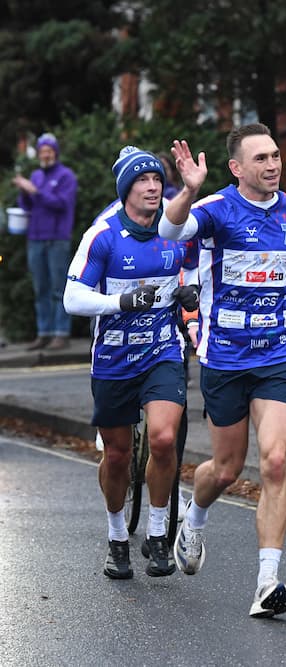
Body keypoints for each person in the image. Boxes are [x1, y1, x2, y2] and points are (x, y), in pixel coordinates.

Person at [159, 123, 286, 618]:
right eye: (260, 158)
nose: (273, 165)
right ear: (237, 168)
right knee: (225, 469)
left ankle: (267, 582)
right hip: (225, 357)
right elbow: (169, 230)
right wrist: (189, 189)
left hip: (280, 354)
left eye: (276, 155)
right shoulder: (215, 209)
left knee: (276, 461)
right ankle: (194, 519)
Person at [63, 146, 197, 581]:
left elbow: (194, 269)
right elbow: (72, 298)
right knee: (118, 456)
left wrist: (190, 293)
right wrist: (118, 300)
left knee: (162, 440)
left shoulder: (175, 229)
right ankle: (117, 537)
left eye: (157, 179)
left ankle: (158, 534)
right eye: (142, 181)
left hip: (163, 350)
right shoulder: (102, 235)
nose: (153, 186)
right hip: (114, 358)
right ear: (126, 190)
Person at [12, 133, 77, 351]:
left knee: (58, 288)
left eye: (49, 150)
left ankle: (61, 333)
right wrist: (24, 193)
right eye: (42, 151)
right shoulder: (36, 175)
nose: (45, 154)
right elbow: (28, 206)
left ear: (55, 153)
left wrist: (35, 191)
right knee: (40, 289)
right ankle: (44, 332)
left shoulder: (66, 176)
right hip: (35, 238)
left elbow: (61, 204)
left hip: (57, 238)